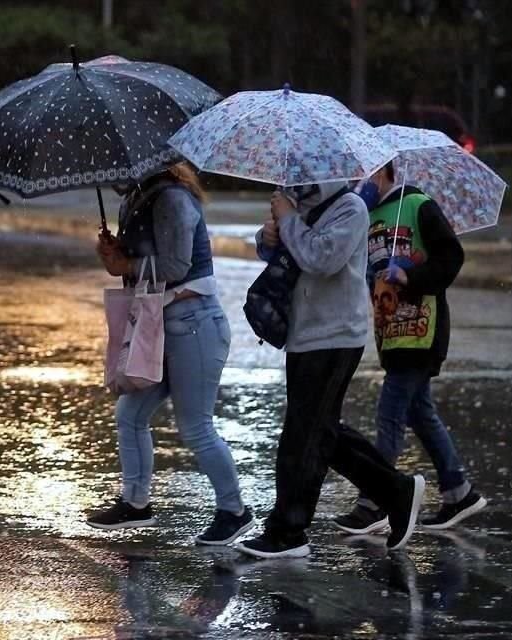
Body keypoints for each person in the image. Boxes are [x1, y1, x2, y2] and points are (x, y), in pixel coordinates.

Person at [234, 181, 425, 559]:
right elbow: (281, 250)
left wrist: (288, 219)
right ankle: (396, 491)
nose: (297, 174)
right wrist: (269, 234)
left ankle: (289, 530)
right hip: (304, 332)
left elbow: (321, 258)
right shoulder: (300, 202)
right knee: (320, 431)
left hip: (335, 335)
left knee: (302, 435)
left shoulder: (350, 208)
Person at [88, 162, 253, 545]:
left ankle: (235, 511)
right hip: (160, 322)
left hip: (194, 324)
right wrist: (118, 253)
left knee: (195, 426)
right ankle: (136, 504)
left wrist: (127, 263)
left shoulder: (172, 198)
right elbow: (147, 259)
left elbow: (176, 264)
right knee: (129, 414)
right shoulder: (141, 196)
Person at [333, 162, 487, 535]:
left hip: (422, 330)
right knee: (419, 412)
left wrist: (410, 276)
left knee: (391, 412)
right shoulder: (364, 215)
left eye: (364, 175)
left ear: (384, 172)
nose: (359, 183)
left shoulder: (418, 205)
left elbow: (452, 256)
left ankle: (376, 500)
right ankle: (458, 490)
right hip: (391, 332)